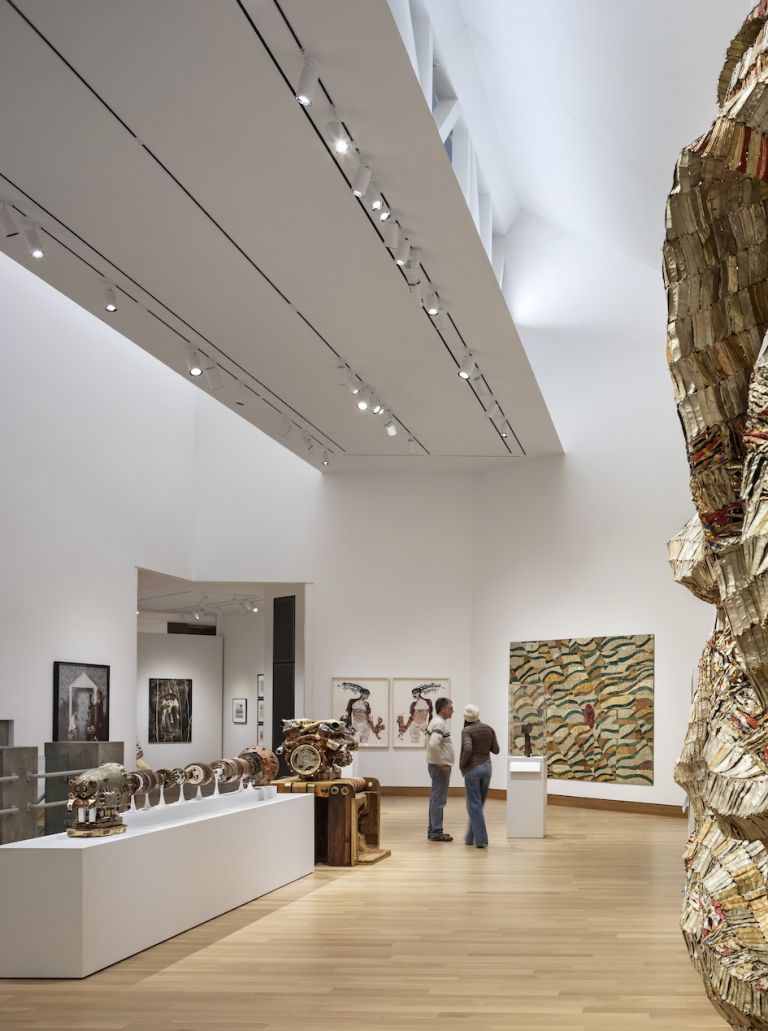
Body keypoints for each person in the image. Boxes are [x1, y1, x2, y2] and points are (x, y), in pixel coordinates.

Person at [460, 704, 499, 849]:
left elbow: (468, 748)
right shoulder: (488, 729)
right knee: (477, 805)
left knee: (474, 804)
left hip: (473, 769)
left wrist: (463, 763)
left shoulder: (467, 730)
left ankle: (481, 840)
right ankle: (470, 837)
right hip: (487, 768)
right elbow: (496, 750)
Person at [425, 697, 454, 841]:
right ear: (443, 709)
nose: (452, 711)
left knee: (435, 798)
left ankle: (433, 830)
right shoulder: (439, 723)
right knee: (438, 800)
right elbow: (434, 744)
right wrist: (442, 763)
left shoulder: (436, 722)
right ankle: (436, 832)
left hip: (435, 765)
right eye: (450, 708)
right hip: (439, 767)